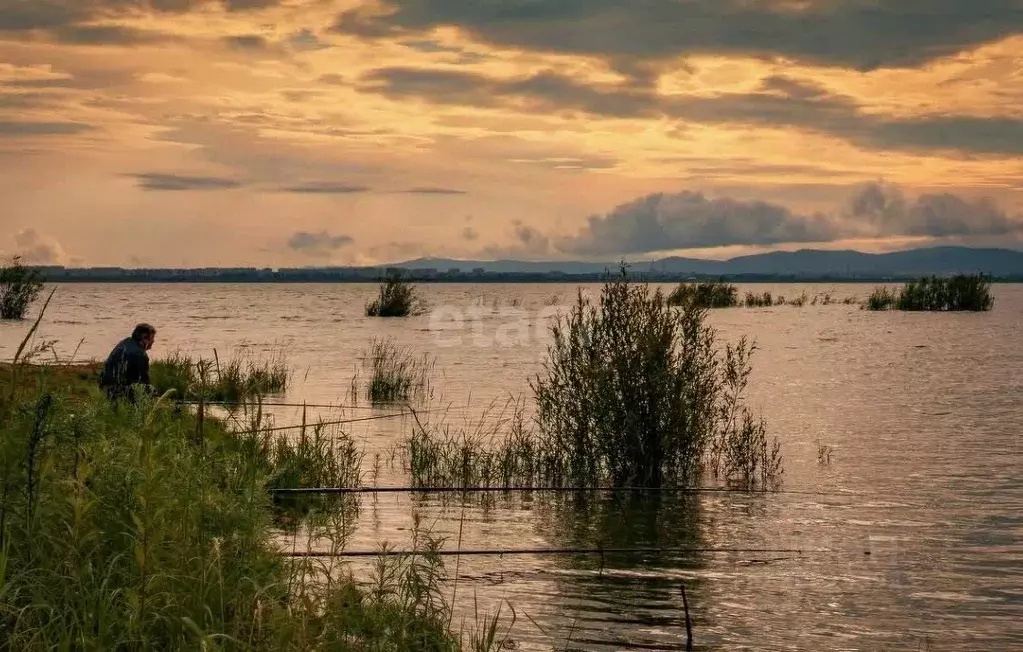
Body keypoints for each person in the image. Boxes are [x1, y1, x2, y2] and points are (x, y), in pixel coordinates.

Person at [99, 323, 157, 401]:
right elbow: (144, 382)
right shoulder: (140, 354)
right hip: (115, 392)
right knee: (150, 390)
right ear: (144, 338)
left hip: (103, 387)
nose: (153, 341)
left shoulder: (125, 342)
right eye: (152, 338)